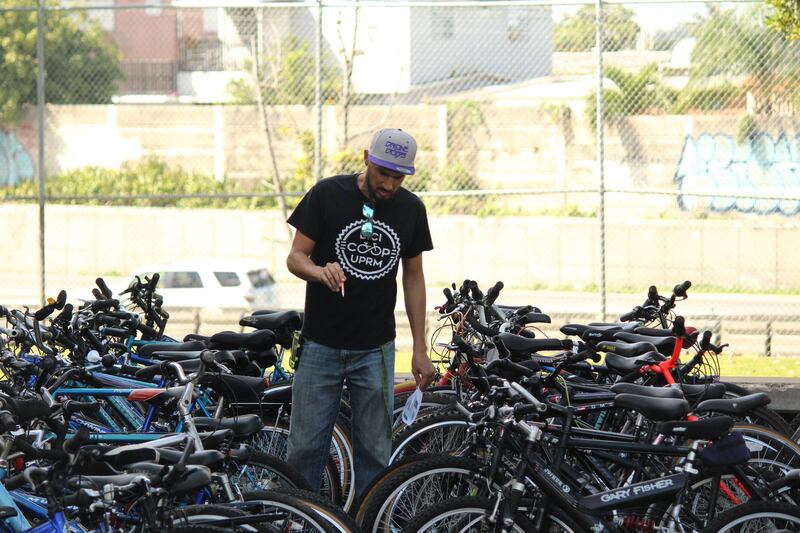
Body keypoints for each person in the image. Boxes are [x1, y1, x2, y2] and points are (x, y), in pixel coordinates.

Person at [285, 128, 435, 499]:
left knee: (375, 450)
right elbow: (295, 257)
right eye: (383, 172)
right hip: (320, 344)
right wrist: (319, 272)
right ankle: (299, 519)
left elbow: (413, 277)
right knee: (305, 447)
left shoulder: (411, 209)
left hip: (376, 348)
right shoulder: (327, 194)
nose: (388, 184)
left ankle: (369, 519)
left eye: (398, 177)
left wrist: (419, 348)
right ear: (367, 158)